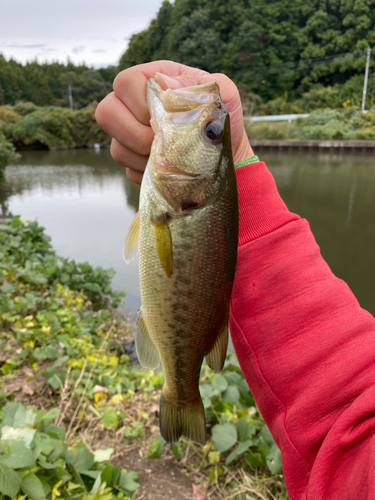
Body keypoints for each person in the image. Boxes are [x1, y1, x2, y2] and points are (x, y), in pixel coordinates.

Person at [96, 61, 375, 500]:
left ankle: (180, 393)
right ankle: (182, 390)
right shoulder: (187, 192)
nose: (211, 126)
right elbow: (351, 405)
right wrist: (236, 151)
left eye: (211, 134)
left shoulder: (187, 195)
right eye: (213, 133)